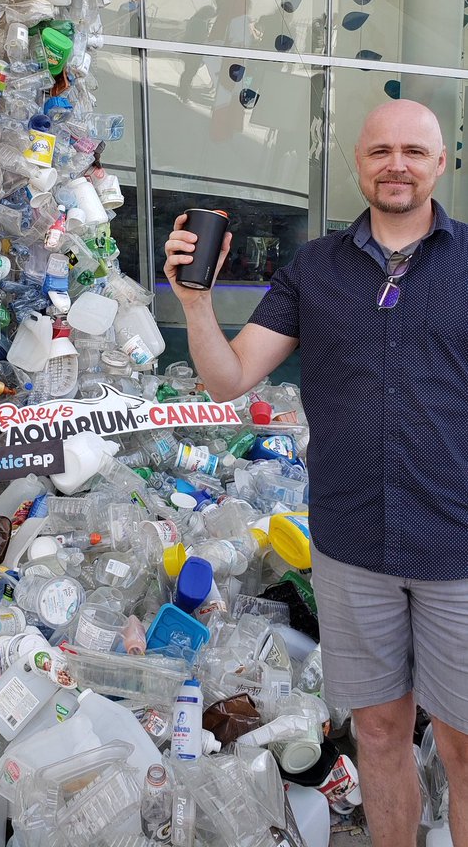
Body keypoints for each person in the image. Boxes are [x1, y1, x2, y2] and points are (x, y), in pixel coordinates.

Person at [164, 99, 468, 847]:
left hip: (457, 546)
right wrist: (195, 303)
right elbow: (229, 379)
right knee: (379, 732)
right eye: (380, 151)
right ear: (358, 163)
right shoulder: (315, 268)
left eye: (413, 152)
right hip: (352, 543)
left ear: (440, 163)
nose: (396, 165)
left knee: (463, 748)